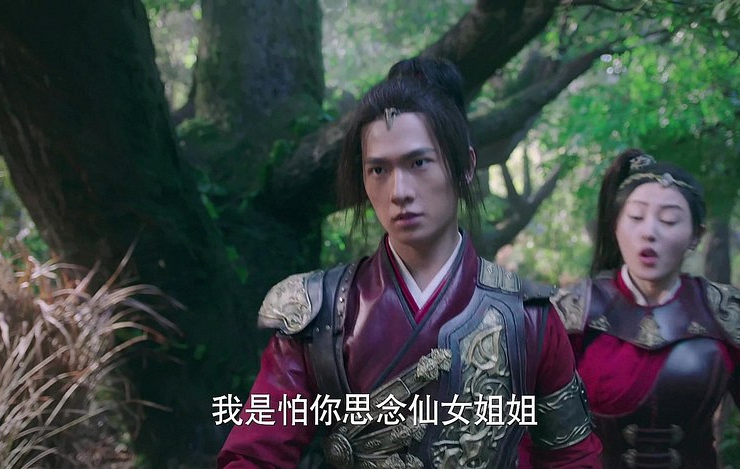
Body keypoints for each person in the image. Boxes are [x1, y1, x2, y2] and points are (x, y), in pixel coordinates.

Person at [217, 57, 601, 468]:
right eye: (378, 169)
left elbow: (572, 457)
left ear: (465, 166)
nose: (399, 191)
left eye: (418, 163)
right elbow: (254, 454)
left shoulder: (529, 316)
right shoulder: (317, 312)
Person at [549, 149, 740, 468]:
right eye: (636, 218)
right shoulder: (572, 313)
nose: (649, 232)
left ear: (695, 235)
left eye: (669, 220)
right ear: (615, 226)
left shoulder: (726, 315)